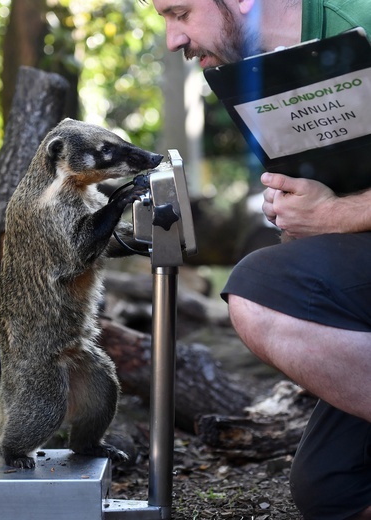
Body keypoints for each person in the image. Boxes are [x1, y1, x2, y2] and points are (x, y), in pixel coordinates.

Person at [151, 0, 371, 518]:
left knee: (258, 289)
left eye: (180, 13)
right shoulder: (260, 72)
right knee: (334, 491)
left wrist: (339, 214)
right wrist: (300, 209)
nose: (172, 39)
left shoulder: (357, 16)